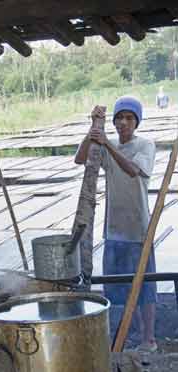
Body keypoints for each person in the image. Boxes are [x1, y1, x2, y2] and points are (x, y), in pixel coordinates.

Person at [75, 96, 157, 352]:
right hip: (113, 230)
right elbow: (80, 159)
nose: (123, 122)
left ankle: (149, 339)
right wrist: (93, 130)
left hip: (138, 228)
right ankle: (122, 335)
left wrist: (107, 144)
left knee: (145, 286)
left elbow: (133, 170)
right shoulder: (106, 147)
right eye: (119, 118)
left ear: (137, 122)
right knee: (114, 286)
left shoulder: (145, 145)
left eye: (129, 118)